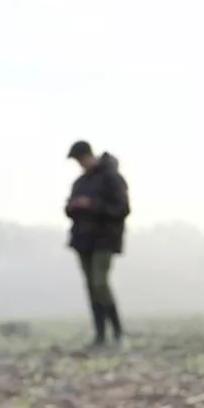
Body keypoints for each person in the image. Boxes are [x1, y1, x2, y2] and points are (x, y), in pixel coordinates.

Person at [64, 140, 131, 347]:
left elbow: (122, 209)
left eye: (80, 159)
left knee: (100, 283)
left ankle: (118, 333)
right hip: (83, 240)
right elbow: (69, 211)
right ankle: (100, 335)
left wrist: (92, 205)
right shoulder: (80, 183)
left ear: (88, 155)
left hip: (105, 239)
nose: (80, 164)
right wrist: (73, 206)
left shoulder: (112, 178)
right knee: (91, 287)